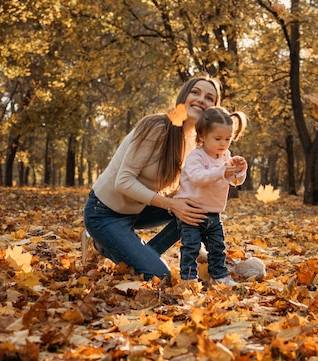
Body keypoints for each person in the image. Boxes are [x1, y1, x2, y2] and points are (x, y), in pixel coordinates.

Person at [82, 74, 223, 281]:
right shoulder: (157, 127)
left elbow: (190, 190)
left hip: (138, 210)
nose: (201, 99)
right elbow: (124, 181)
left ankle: (139, 253)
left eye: (209, 98)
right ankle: (102, 245)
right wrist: (171, 204)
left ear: (214, 108)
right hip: (103, 212)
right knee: (160, 276)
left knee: (196, 206)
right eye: (195, 92)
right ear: (184, 96)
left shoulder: (196, 144)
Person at [174, 106, 248, 286]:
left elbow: (234, 181)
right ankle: (189, 279)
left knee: (217, 247)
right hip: (191, 212)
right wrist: (222, 171)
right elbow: (198, 178)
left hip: (214, 213)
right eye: (218, 139)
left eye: (227, 139)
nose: (223, 144)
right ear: (202, 137)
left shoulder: (226, 156)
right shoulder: (196, 157)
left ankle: (219, 276)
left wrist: (240, 171)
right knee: (191, 247)